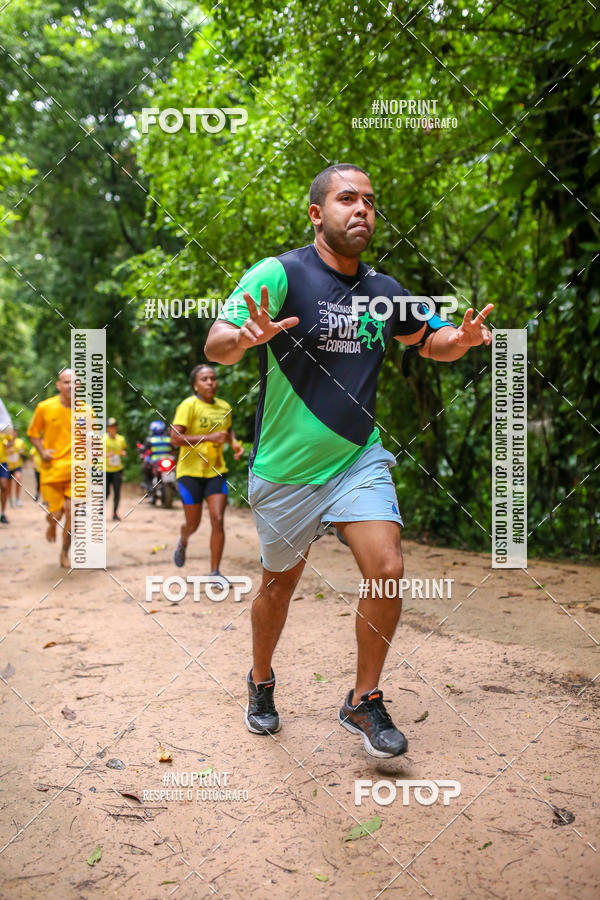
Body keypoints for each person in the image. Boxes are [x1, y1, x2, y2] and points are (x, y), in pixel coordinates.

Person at [205, 164, 493, 757]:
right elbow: (217, 344)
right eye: (346, 199)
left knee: (386, 567)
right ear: (317, 213)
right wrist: (244, 339)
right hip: (284, 470)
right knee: (279, 585)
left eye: (369, 200)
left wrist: (458, 342)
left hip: (355, 459)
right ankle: (261, 679)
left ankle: (363, 699)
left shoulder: (386, 293)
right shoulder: (280, 274)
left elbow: (430, 340)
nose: (361, 209)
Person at [170, 364, 243, 577]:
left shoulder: (224, 406)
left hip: (216, 471)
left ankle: (215, 572)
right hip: (190, 473)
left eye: (213, 378)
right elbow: (175, 438)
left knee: (218, 518)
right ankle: (184, 540)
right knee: (193, 523)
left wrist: (235, 444)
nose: (210, 382)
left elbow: (228, 432)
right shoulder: (188, 406)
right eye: (204, 379)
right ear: (195, 385)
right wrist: (208, 437)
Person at [27, 369, 76, 567]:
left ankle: (65, 553)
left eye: (74, 382)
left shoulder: (87, 411)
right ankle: (52, 524)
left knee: (72, 512)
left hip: (76, 471)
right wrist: (42, 450)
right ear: (58, 385)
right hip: (52, 470)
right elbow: (32, 433)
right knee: (56, 514)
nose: (70, 386)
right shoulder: (44, 407)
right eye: (66, 382)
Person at [104, 417, 126, 520]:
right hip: (105, 470)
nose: (113, 429)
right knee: (106, 492)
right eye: (110, 427)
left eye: (114, 426)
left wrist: (123, 453)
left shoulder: (121, 439)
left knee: (117, 492)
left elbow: (123, 450)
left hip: (117, 469)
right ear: (107, 428)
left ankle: (115, 513)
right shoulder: (102, 439)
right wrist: (107, 454)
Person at [141, 420, 172, 493]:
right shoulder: (168, 438)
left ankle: (148, 485)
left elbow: (144, 449)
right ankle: (148, 485)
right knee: (146, 468)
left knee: (145, 467)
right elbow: (174, 448)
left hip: (159, 462)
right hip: (162, 461)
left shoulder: (150, 439)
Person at [6, 428, 26, 507]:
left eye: (15, 432)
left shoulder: (20, 442)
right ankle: (10, 499)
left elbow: (24, 454)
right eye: (13, 432)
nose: (14, 434)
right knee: (9, 484)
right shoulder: (5, 441)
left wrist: (22, 452)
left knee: (18, 479)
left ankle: (17, 499)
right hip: (8, 465)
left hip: (17, 465)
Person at [0, 426, 9, 524]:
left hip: (2, 463)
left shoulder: (3, 433)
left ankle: (3, 513)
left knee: (4, 485)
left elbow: (9, 443)